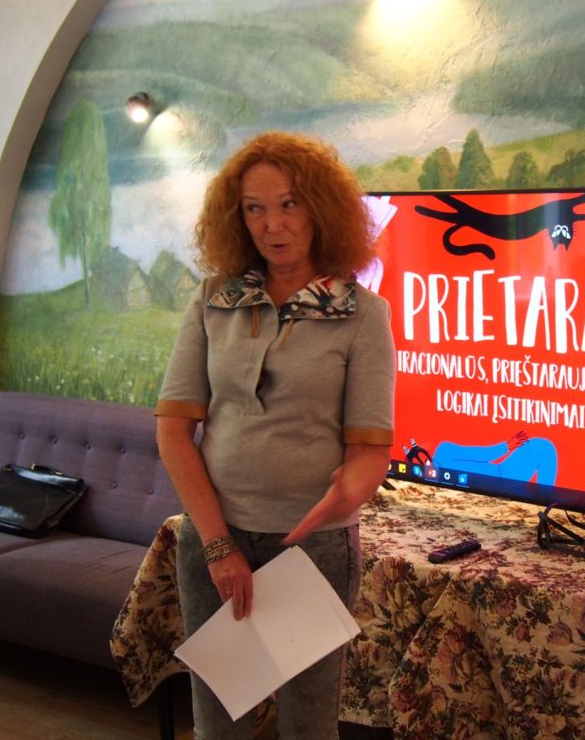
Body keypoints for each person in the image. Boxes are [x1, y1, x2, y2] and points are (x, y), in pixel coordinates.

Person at [155, 131, 395, 739]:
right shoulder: (212, 301)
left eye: (289, 204)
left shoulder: (363, 314)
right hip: (214, 539)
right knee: (220, 724)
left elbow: (370, 450)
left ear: (320, 209)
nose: (273, 225)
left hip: (312, 552)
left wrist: (354, 486)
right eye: (254, 209)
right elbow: (175, 432)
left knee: (307, 727)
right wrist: (218, 546)